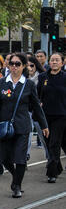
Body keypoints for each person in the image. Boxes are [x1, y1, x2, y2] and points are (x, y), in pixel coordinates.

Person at [0, 53, 49, 198]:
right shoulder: (1, 82)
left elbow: (36, 106)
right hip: (5, 127)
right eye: (12, 64)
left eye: (18, 64)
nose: (14, 67)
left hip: (22, 126)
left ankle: (17, 185)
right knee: (4, 158)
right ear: (8, 66)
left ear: (23, 66)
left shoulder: (28, 84)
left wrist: (44, 125)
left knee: (20, 158)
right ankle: (16, 176)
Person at [37, 52, 66, 183]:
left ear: (62, 62)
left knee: (55, 143)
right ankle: (58, 166)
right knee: (48, 143)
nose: (54, 62)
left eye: (57, 60)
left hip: (61, 115)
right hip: (45, 115)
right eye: (52, 60)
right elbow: (37, 94)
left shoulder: (65, 77)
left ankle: (52, 172)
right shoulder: (43, 77)